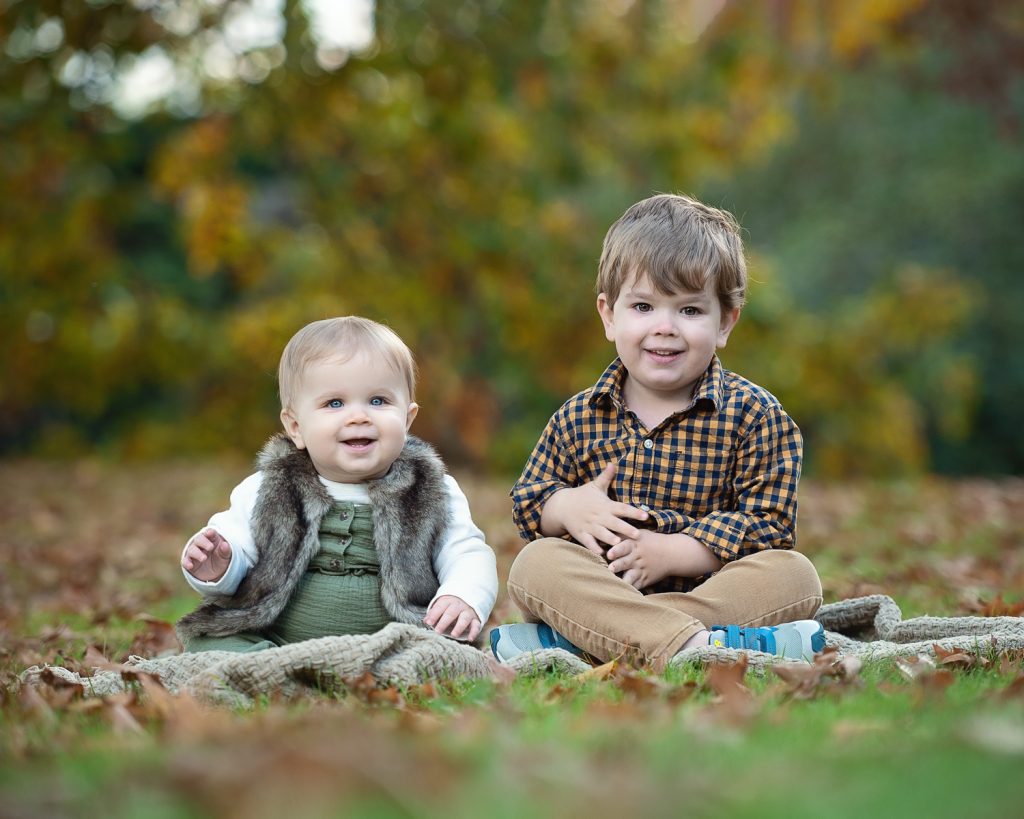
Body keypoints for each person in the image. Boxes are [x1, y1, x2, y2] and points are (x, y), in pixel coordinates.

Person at [491, 194, 824, 670]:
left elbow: (769, 525)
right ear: (609, 316)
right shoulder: (577, 417)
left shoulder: (755, 415)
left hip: (715, 592)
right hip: (602, 588)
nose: (664, 328)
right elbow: (528, 504)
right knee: (535, 564)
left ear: (726, 322)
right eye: (644, 306)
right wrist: (567, 506)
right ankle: (703, 648)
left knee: (796, 576)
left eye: (689, 311)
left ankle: (589, 643)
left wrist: (675, 552)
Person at [177, 316, 498, 652]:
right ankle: (269, 665)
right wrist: (218, 567)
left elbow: (466, 552)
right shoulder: (269, 486)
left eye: (378, 401)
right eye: (334, 403)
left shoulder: (431, 489)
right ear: (296, 427)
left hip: (398, 640)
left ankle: (360, 669)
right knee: (214, 643)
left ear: (407, 419)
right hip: (277, 637)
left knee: (442, 654)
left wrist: (462, 595)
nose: (359, 416)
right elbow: (237, 544)